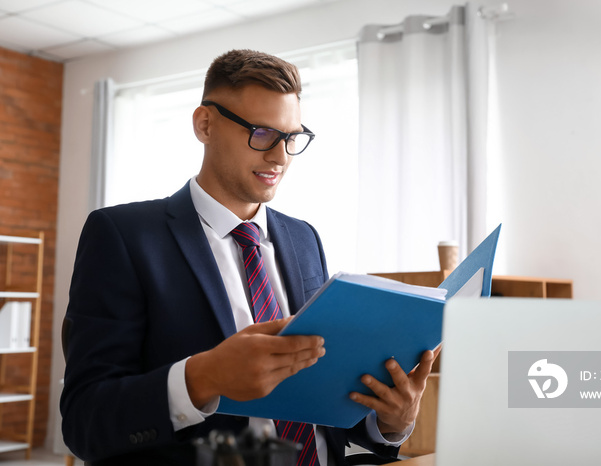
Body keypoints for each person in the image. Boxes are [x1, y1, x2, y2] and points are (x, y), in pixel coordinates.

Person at [60, 49, 438, 466]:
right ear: (205, 124)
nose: (280, 157)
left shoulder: (303, 237)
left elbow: (323, 400)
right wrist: (204, 377)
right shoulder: (124, 236)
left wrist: (390, 421)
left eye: (292, 137)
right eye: (261, 133)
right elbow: (84, 421)